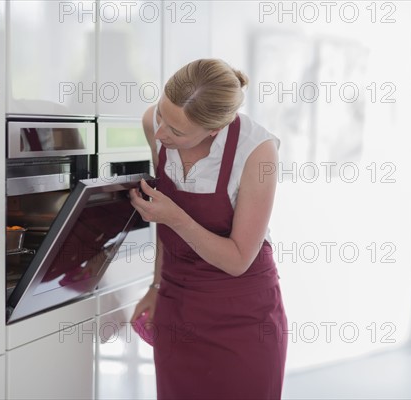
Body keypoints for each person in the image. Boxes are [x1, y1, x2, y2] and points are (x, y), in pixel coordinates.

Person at [129, 59, 288, 399]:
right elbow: (162, 222)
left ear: (215, 129)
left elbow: (237, 259)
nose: (160, 134)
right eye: (162, 115)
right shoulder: (154, 124)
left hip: (242, 313)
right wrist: (156, 285)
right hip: (177, 302)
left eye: (177, 132)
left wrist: (175, 216)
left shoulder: (257, 152)